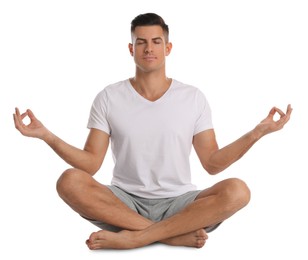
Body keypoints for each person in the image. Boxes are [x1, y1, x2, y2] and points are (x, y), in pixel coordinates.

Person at [13, 13, 292, 250]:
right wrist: (46, 135)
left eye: (156, 42)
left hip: (181, 202)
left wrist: (258, 132)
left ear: (168, 48)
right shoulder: (109, 97)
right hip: (123, 202)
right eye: (141, 42)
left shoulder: (193, 97)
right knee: (69, 181)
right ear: (130, 48)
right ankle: (170, 235)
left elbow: (212, 163)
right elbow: (91, 163)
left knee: (238, 191)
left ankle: (136, 239)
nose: (149, 48)